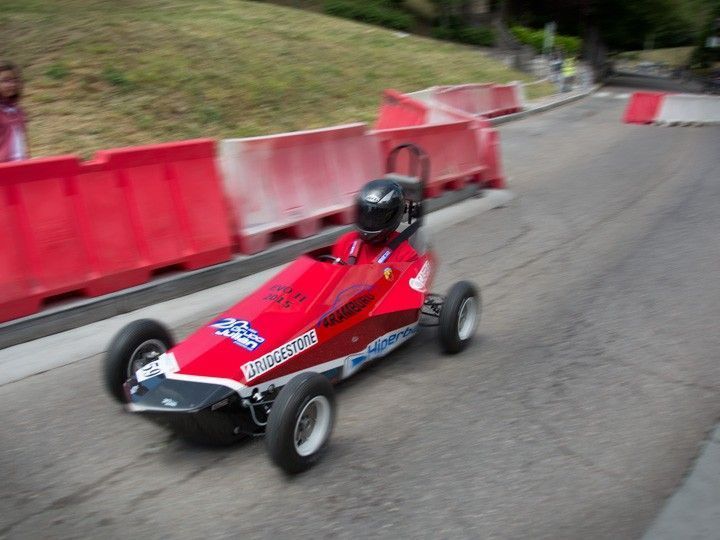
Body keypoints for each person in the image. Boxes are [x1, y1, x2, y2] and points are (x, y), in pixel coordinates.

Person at [331, 179, 419, 265]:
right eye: (364, 214)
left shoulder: (406, 256)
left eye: (376, 217)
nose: (369, 221)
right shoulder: (344, 242)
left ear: (394, 216)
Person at [0, 61, 29, 162]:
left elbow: (22, 141)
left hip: (20, 165)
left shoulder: (18, 111)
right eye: (6, 81)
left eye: (14, 80)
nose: (12, 84)